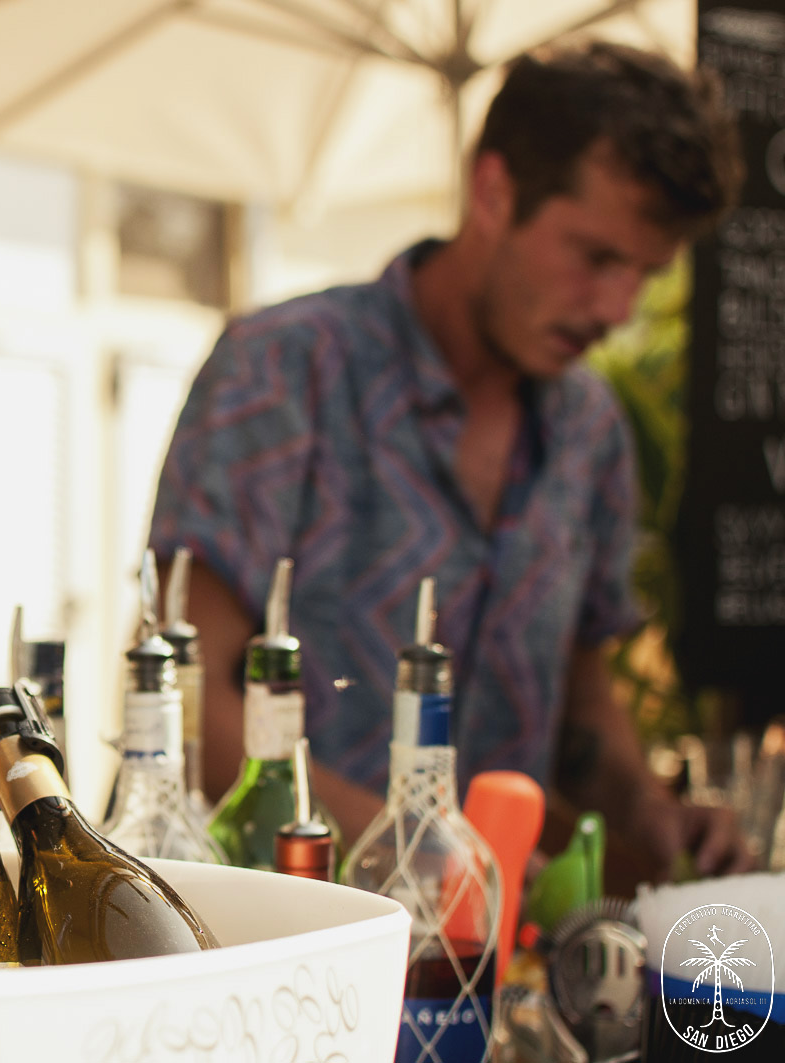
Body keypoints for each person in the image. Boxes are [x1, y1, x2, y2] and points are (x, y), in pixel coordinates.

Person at [149, 42, 752, 881]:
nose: (618, 308)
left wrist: (648, 811)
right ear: (493, 191)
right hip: (263, 925)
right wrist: (413, 856)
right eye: (597, 258)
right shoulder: (283, 370)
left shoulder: (589, 430)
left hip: (485, 948)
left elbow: (581, 713)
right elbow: (182, 701)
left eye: (645, 275)